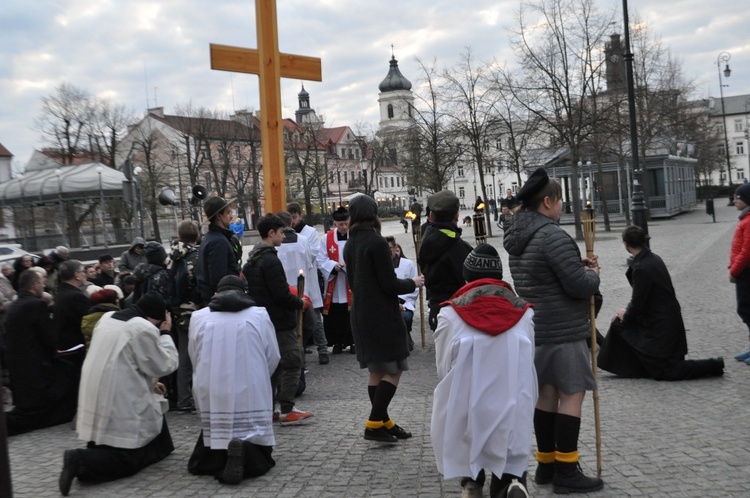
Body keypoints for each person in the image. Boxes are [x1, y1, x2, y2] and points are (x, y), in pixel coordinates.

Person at [503, 168, 603, 494]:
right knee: (572, 393)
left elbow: (549, 275)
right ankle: (567, 469)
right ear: (547, 202)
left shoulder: (518, 236)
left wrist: (577, 268)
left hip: (536, 328)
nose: (562, 206)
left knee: (545, 394)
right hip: (563, 329)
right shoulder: (553, 235)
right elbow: (577, 286)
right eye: (559, 200)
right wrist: (593, 275)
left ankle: (545, 463)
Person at [432, 244, 536, 498]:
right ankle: (512, 484)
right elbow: (528, 359)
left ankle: (472, 483)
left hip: (469, 402)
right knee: (512, 437)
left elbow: (443, 366)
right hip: (513, 396)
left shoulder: (449, 314)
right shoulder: (525, 313)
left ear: (466, 276)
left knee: (463, 425)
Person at [58, 292, 177, 496]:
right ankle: (80, 459)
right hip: (119, 394)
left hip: (97, 389)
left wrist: (150, 384)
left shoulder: (108, 318)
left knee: (120, 439)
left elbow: (126, 359)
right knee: (128, 460)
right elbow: (164, 363)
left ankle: (90, 457)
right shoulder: (142, 327)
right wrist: (165, 333)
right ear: (156, 318)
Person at [343, 195, 424, 443]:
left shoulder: (350, 244)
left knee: (377, 370)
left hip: (360, 313)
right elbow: (389, 284)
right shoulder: (377, 242)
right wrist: (413, 282)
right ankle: (373, 423)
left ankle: (384, 421)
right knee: (395, 368)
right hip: (381, 314)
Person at [598, 226, 724, 380]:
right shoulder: (652, 258)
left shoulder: (642, 267)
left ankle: (714, 364)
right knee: (619, 324)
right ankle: (637, 365)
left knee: (667, 372)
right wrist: (626, 313)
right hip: (664, 320)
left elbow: (638, 303)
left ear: (626, 244)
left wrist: (626, 314)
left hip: (661, 325)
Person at [187, 275, 279, 484]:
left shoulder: (199, 317)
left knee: (215, 430)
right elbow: (273, 354)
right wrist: (262, 377)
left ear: (216, 293)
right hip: (251, 384)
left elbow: (194, 354)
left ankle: (215, 458)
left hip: (212, 384)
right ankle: (246, 450)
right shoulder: (259, 314)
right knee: (250, 429)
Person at [243, 213, 311, 425]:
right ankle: (286, 408)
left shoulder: (252, 260)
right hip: (279, 321)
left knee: (274, 365)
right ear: (271, 233)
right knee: (292, 362)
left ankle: (271, 407)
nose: (283, 236)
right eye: (281, 232)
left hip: (264, 320)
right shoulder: (270, 260)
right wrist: (299, 303)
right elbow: (280, 294)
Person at [5, 270, 78, 436]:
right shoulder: (36, 304)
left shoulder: (14, 305)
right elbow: (48, 337)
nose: (44, 285)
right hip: (36, 364)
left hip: (19, 366)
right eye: (42, 282)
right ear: (35, 285)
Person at [275, 210, 328, 365]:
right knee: (312, 321)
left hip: (286, 290)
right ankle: (321, 349)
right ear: (291, 223)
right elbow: (310, 262)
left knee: (293, 326)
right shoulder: (303, 240)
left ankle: (300, 356)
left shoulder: (276, 245)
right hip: (304, 288)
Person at [418, 190, 473, 331]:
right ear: (457, 215)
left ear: (431, 216)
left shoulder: (425, 242)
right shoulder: (460, 248)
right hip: (458, 314)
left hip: (437, 310)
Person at [169, 219, 202, 412]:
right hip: (194, 311)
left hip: (176, 311)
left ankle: (183, 398)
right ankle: (192, 398)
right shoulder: (196, 257)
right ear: (197, 236)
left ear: (179, 236)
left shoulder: (172, 256)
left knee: (183, 356)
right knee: (197, 357)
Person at [317, 206, 354, 354]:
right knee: (336, 314)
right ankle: (337, 342)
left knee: (351, 314)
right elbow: (321, 258)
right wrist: (334, 266)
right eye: (340, 225)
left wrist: (349, 265)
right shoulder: (327, 238)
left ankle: (353, 342)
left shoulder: (355, 236)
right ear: (335, 224)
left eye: (346, 223)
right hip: (335, 281)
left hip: (350, 281)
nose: (344, 227)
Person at [197, 196, 240, 303]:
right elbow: (219, 280)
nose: (231, 216)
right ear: (219, 216)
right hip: (222, 302)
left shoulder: (210, 238)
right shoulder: (218, 242)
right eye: (228, 212)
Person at [54, 260, 92, 373]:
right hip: (77, 349)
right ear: (77, 275)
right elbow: (87, 320)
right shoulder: (76, 296)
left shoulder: (62, 292)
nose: (84, 274)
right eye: (82, 271)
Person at [386, 236, 419, 351]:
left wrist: (402, 302)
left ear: (395, 248)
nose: (387, 251)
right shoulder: (381, 265)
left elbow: (414, 285)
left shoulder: (407, 264)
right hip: (387, 302)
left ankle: (405, 336)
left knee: (405, 316)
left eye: (389, 248)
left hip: (405, 301)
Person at [730, 183, 750, 363]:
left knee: (746, 309)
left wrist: (734, 270)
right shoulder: (745, 218)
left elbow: (746, 251)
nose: (735, 200)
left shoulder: (749, 220)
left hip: (746, 271)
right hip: (744, 271)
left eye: (738, 197)